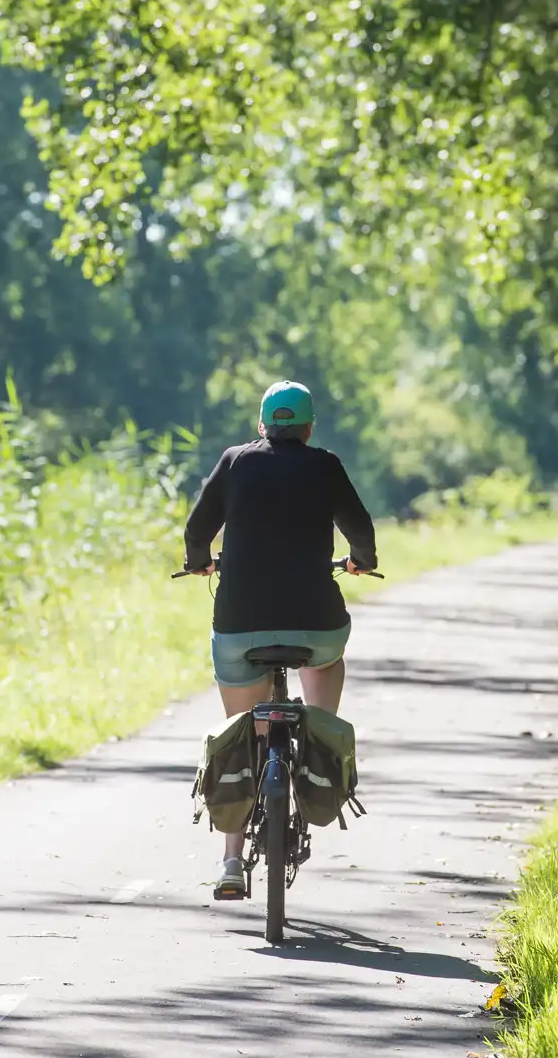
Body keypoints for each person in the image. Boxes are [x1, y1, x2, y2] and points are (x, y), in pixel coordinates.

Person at [182, 379, 378, 899]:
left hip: (239, 625)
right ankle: (318, 744)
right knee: (326, 659)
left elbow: (198, 530)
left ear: (262, 424)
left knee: (240, 731)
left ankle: (230, 861)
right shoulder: (326, 465)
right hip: (316, 623)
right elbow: (360, 529)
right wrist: (361, 561)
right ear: (309, 428)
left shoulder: (235, 462)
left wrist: (199, 562)